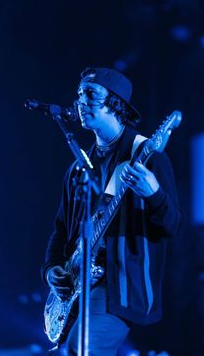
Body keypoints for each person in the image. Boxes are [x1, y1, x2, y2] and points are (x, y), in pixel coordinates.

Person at [41, 67, 182, 356]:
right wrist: (51, 269)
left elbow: (172, 226)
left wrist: (154, 194)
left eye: (90, 95)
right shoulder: (78, 169)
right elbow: (60, 231)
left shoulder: (148, 156)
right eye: (79, 94)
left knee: (82, 350)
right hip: (78, 285)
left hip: (118, 287)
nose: (80, 102)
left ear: (116, 104)